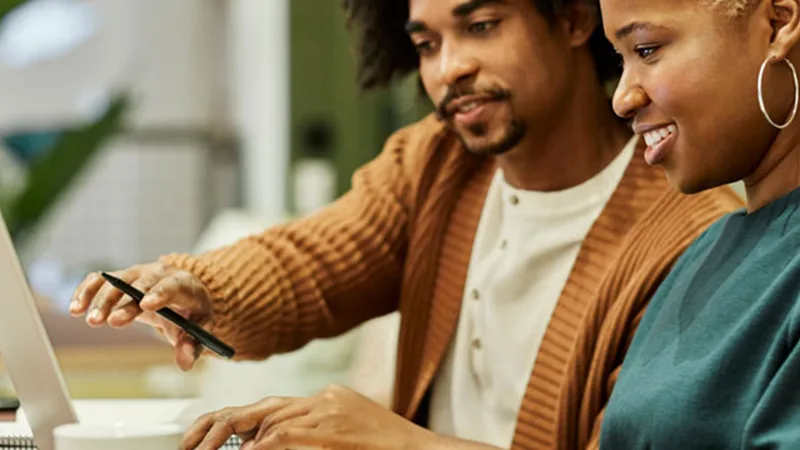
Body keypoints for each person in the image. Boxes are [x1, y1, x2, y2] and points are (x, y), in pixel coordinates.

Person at [70, 0, 742, 449]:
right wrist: (200, 286)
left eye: (481, 25)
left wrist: (391, 439)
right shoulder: (438, 163)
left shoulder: (690, 234)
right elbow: (310, 259)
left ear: (571, 20)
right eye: (426, 44)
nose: (450, 69)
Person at [596, 0, 800, 448]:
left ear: (777, 25)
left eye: (647, 50)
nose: (622, 98)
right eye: (620, 58)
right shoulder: (705, 252)